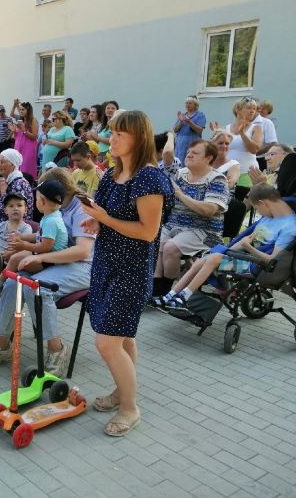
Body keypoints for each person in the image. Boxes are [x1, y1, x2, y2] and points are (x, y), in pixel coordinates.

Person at [79, 110, 173, 437]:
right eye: (112, 132)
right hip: (107, 263)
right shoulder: (112, 174)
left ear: (139, 138)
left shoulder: (149, 178)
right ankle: (122, 391)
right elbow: (109, 216)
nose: (112, 138)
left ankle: (130, 408)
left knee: (107, 343)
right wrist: (95, 219)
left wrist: (104, 218)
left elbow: (148, 232)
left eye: (121, 133)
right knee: (123, 337)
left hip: (132, 270)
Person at [0, 168, 95, 376]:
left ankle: (57, 349)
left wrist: (39, 256)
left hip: (83, 266)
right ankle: (2, 343)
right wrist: (24, 240)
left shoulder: (82, 207)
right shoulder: (56, 208)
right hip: (57, 262)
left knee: (38, 289)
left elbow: (82, 250)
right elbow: (48, 236)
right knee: (13, 282)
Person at [163, 184, 296, 313]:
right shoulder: (269, 218)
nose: (259, 212)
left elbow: (272, 261)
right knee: (205, 258)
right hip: (244, 257)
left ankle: (184, 297)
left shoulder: (289, 227)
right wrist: (226, 250)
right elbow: (244, 242)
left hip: (257, 267)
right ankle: (171, 295)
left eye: (257, 208)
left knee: (214, 258)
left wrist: (247, 247)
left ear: (263, 203)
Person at [152, 140, 230, 301]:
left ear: (208, 158)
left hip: (204, 231)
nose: (189, 154)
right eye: (189, 151)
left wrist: (181, 195)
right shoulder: (180, 174)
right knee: (156, 242)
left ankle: (167, 291)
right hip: (174, 225)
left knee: (170, 248)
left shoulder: (217, 179)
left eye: (195, 152)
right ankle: (155, 289)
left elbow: (210, 210)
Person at [3, 180, 68, 274]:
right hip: (46, 255)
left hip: (51, 260)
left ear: (42, 201)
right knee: (14, 255)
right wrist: (21, 237)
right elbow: (39, 236)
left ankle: (0, 282)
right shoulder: (51, 215)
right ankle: (5, 276)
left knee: (15, 259)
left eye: (36, 200)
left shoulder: (51, 221)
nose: (36, 202)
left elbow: (45, 247)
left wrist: (24, 245)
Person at [211, 97, 264, 201]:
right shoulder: (226, 128)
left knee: (242, 204)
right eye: (249, 108)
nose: (252, 111)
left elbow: (254, 149)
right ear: (237, 110)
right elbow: (217, 150)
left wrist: (242, 133)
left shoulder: (256, 128)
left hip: (248, 173)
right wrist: (216, 136)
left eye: (254, 108)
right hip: (227, 171)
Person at [0, 193, 33, 262]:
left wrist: (10, 254)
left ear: (25, 210)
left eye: (19, 205)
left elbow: (24, 248)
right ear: (5, 211)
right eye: (11, 206)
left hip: (10, 260)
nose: (15, 208)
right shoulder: (2, 225)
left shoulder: (26, 228)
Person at [0, 148, 34, 221]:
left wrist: (3, 193)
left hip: (17, 229)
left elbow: (11, 212)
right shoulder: (7, 181)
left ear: (13, 165)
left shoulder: (20, 183)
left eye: (2, 162)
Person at [9, 100, 39, 179]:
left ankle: (28, 185)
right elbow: (18, 135)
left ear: (28, 110)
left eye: (23, 109)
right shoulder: (21, 120)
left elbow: (35, 136)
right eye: (20, 109)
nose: (21, 111)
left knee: (26, 168)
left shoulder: (33, 120)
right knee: (17, 167)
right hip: (18, 146)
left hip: (28, 148)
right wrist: (14, 130)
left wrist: (24, 130)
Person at [172, 95, 206, 163]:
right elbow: (175, 130)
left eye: (190, 103)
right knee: (179, 162)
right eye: (186, 103)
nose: (187, 105)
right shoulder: (183, 115)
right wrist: (181, 122)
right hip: (180, 144)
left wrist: (189, 122)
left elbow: (200, 130)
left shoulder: (200, 115)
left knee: (192, 161)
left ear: (195, 105)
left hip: (193, 142)